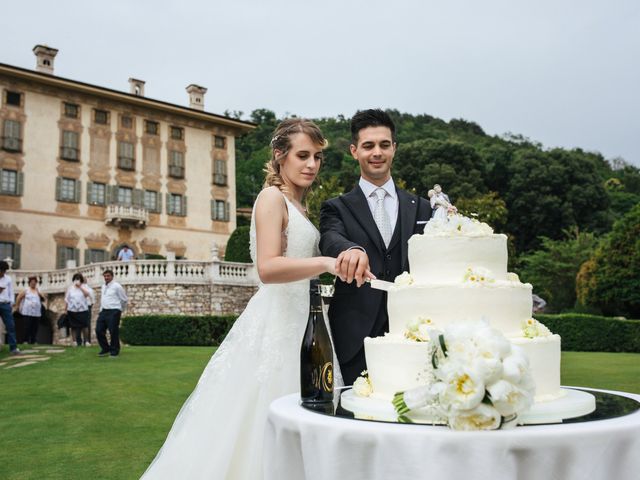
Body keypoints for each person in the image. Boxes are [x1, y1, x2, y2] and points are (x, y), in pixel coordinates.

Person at [142, 119, 344, 479]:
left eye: (317, 157)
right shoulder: (271, 198)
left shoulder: (300, 206)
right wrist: (327, 262)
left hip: (305, 320)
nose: (311, 164)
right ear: (280, 155)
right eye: (302, 155)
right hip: (278, 320)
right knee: (263, 417)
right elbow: (267, 267)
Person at [320, 109, 432, 385]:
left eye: (384, 144)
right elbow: (330, 238)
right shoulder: (337, 207)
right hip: (355, 336)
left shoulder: (424, 207)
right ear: (354, 151)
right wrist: (350, 250)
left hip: (414, 332)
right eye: (368, 146)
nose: (377, 152)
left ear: (394, 148)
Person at [96, 269, 128, 357]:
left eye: (108, 276)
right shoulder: (103, 286)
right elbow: (103, 298)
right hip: (104, 311)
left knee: (113, 331)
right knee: (99, 330)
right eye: (105, 276)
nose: (106, 278)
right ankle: (105, 348)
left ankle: (114, 350)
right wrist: (101, 310)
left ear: (112, 276)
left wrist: (120, 309)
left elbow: (124, 299)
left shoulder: (117, 286)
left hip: (114, 310)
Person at [15, 276, 45, 344]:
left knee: (35, 327)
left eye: (34, 282)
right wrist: (17, 306)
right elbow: (19, 297)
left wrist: (39, 293)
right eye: (32, 282)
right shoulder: (26, 290)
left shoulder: (38, 290)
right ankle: (25, 340)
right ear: (29, 283)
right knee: (27, 326)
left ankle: (33, 340)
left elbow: (44, 298)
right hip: (27, 311)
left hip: (36, 312)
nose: (33, 284)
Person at [0, 260, 21, 355]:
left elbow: (11, 291)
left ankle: (13, 348)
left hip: (5, 304)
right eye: (2, 270)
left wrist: (12, 303)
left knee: (11, 326)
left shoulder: (8, 279)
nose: (3, 273)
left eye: (4, 271)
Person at [65, 273, 91, 347]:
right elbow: (67, 299)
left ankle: (86, 341)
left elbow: (87, 295)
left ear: (81, 280)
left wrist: (80, 287)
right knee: (73, 326)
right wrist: (65, 309)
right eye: (76, 279)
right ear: (74, 280)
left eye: (79, 279)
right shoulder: (70, 288)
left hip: (83, 310)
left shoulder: (84, 286)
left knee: (85, 326)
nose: (77, 280)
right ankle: (74, 341)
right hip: (72, 310)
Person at [82, 277, 96, 346]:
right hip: (88, 307)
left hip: (81, 307)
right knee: (87, 324)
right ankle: (87, 341)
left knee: (79, 325)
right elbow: (93, 301)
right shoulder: (90, 289)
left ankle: (80, 341)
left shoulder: (80, 289)